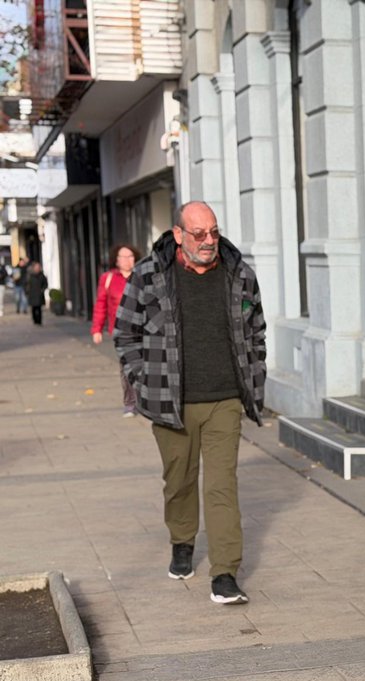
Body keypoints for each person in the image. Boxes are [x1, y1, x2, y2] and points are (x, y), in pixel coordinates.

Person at [113, 202, 266, 606]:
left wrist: (256, 373)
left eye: (213, 232)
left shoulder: (240, 275)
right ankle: (182, 541)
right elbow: (125, 334)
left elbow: (256, 333)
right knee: (179, 481)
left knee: (221, 487)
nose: (208, 241)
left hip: (225, 401)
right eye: (198, 234)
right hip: (170, 403)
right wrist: (142, 381)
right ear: (178, 235)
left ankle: (225, 573)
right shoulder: (150, 275)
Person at [93, 244, 139, 416]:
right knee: (126, 367)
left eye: (131, 256)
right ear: (117, 260)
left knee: (144, 366)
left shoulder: (141, 277)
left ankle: (145, 401)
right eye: (123, 257)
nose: (128, 260)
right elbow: (101, 304)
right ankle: (130, 403)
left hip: (143, 330)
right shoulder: (108, 278)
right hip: (121, 332)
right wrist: (97, 329)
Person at [25, 261, 48, 326]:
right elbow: (27, 284)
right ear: (34, 268)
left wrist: (42, 290)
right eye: (36, 267)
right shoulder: (30, 276)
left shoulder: (42, 275)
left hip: (39, 294)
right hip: (32, 294)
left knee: (39, 308)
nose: (37, 268)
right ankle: (35, 320)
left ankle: (39, 321)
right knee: (34, 308)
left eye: (38, 267)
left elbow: (45, 284)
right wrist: (27, 291)